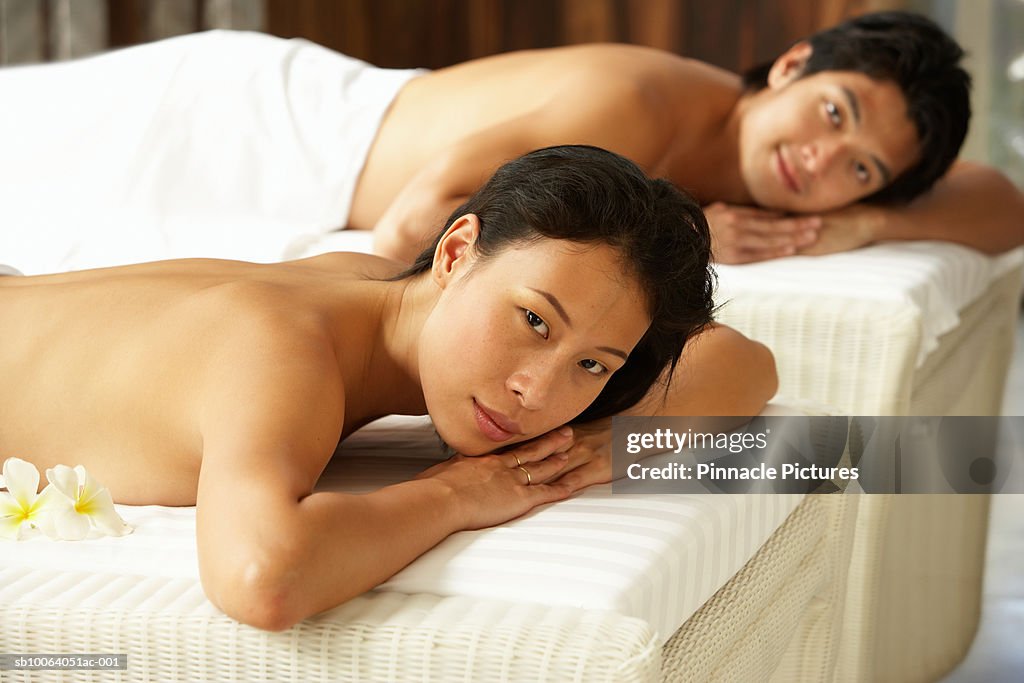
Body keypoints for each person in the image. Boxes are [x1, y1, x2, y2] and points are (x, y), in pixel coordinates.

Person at [0, 146, 775, 631]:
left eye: (594, 365)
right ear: (456, 252)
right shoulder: (286, 348)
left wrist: (615, 445)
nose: (536, 390)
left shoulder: (377, 291)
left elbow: (747, 362)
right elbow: (261, 577)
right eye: (535, 322)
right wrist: (456, 495)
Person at [2, 11, 1020, 276]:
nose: (820, 161)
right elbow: (448, 185)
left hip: (295, 150)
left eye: (859, 168)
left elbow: (1004, 204)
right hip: (256, 125)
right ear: (793, 65)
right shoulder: (639, 105)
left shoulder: (800, 186)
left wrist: (862, 226)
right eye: (835, 113)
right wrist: (344, 296)